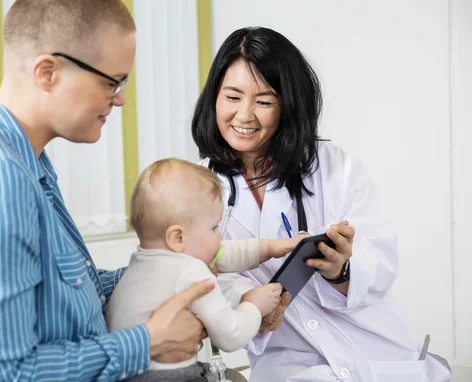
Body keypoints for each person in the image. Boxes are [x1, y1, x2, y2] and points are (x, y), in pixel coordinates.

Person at [0, 1, 215, 380]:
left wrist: (173, 270)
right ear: (47, 72)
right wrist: (147, 342)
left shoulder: (27, 162)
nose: (120, 98)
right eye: (110, 82)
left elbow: (61, 297)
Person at [191, 26, 452, 382]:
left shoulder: (334, 167)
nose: (245, 115)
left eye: (264, 101)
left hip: (375, 349)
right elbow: (207, 274)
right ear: (214, 99)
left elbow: (381, 256)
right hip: (287, 359)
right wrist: (249, 300)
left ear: (288, 105)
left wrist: (342, 269)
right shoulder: (193, 186)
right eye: (232, 97)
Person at [106, 158, 300, 381]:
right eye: (214, 227)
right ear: (177, 237)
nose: (221, 235)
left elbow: (224, 253)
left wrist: (268, 247)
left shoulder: (142, 263)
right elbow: (231, 336)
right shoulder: (192, 272)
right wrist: (254, 305)